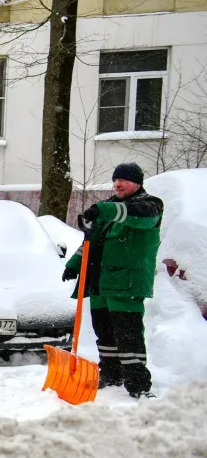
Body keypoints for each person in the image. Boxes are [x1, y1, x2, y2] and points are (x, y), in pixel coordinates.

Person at [62, 162, 163, 398]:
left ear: (137, 183)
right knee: (105, 334)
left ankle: (138, 383)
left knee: (128, 335)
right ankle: (111, 375)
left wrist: (103, 210)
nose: (118, 184)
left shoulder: (150, 205)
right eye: (116, 179)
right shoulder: (108, 207)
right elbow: (91, 241)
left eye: (124, 180)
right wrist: (74, 265)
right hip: (100, 282)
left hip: (125, 282)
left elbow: (133, 215)